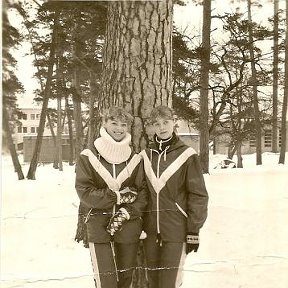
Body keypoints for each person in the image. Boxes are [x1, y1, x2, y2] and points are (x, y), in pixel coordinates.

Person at [75, 106, 147, 288]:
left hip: (129, 226)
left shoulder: (135, 159)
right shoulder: (88, 156)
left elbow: (143, 193)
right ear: (104, 123)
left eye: (124, 124)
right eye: (113, 122)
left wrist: (127, 212)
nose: (119, 128)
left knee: (125, 280)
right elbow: (84, 192)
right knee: (105, 280)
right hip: (98, 226)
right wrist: (116, 196)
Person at [140, 105, 209, 288]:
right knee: (152, 282)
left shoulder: (187, 155)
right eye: (157, 124)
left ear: (174, 123)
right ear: (151, 127)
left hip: (176, 230)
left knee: (169, 283)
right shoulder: (145, 156)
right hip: (150, 232)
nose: (162, 128)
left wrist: (193, 231)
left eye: (166, 122)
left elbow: (198, 195)